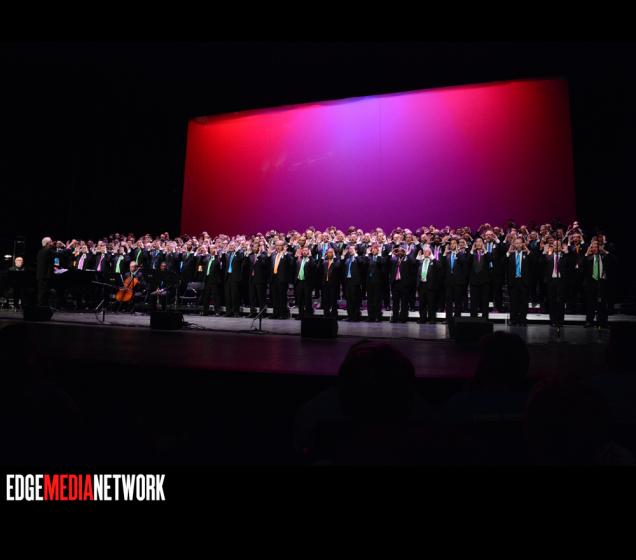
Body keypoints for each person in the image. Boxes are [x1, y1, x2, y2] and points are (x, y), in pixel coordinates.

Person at [583, 240, 609, 328]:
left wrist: (604, 251)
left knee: (602, 304)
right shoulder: (588, 258)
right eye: (593, 247)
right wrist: (586, 253)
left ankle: (602, 322)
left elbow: (614, 260)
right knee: (590, 304)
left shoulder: (604, 257)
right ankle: (589, 321)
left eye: (597, 246)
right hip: (591, 284)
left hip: (602, 283)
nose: (595, 248)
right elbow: (581, 267)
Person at [543, 240, 568, 327]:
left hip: (561, 281)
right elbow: (541, 263)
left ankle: (560, 321)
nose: (556, 246)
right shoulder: (548, 256)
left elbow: (570, 264)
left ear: (561, 246)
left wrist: (566, 252)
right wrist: (544, 252)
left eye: (558, 245)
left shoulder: (564, 256)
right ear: (552, 247)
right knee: (552, 301)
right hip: (551, 281)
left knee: (560, 302)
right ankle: (553, 321)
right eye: (554, 245)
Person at [506, 238, 530, 325]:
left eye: (520, 243)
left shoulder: (526, 254)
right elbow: (503, 262)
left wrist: (527, 249)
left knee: (524, 302)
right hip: (513, 282)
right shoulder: (511, 255)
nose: (518, 245)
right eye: (516, 243)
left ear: (522, 244)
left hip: (524, 282)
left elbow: (534, 261)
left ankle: (523, 320)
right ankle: (513, 320)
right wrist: (508, 251)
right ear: (514, 245)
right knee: (513, 302)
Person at [442, 239, 466, 322]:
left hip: (458, 281)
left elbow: (463, 262)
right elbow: (442, 266)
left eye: (454, 243)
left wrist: (458, 252)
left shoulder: (460, 254)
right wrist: (444, 254)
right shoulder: (447, 254)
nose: (453, 245)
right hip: (448, 281)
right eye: (451, 243)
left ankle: (457, 319)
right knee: (448, 301)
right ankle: (448, 319)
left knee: (457, 301)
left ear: (457, 245)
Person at [414, 246, 440, 324]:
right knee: (422, 303)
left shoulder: (433, 261)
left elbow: (439, 267)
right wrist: (418, 257)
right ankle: (422, 318)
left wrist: (432, 257)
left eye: (427, 251)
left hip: (430, 285)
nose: (425, 253)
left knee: (431, 303)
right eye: (424, 251)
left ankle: (432, 319)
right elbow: (413, 266)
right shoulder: (421, 261)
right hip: (421, 285)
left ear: (430, 252)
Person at [467, 237, 491, 320]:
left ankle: (485, 318)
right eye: (477, 241)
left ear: (483, 243)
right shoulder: (472, 253)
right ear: (475, 244)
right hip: (474, 281)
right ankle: (473, 318)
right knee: (474, 300)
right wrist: (471, 250)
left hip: (484, 281)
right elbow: (467, 262)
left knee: (485, 300)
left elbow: (490, 259)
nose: (479, 243)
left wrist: (485, 249)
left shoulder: (486, 253)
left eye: (480, 241)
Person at [245, 241, 270, 318]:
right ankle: (252, 312)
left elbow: (265, 265)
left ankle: (262, 313)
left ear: (259, 248)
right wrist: (246, 256)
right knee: (252, 296)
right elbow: (245, 266)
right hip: (251, 279)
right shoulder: (250, 256)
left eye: (256, 247)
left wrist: (259, 256)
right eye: (253, 247)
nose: (254, 248)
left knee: (261, 297)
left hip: (260, 280)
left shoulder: (263, 256)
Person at [388, 246, 413, 323]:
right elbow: (387, 262)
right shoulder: (394, 259)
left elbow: (413, 262)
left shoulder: (407, 259)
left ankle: (403, 318)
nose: (400, 252)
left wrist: (407, 254)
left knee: (404, 302)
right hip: (395, 283)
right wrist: (392, 253)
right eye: (398, 251)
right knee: (395, 302)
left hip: (404, 283)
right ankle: (394, 317)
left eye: (401, 251)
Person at [363, 243, 386, 322]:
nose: (373, 250)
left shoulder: (381, 258)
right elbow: (364, 264)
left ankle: (378, 316)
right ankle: (370, 316)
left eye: (375, 249)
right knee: (370, 300)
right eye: (372, 249)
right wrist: (366, 255)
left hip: (378, 282)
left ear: (378, 250)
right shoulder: (369, 258)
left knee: (377, 300)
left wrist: (378, 256)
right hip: (369, 282)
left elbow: (381, 264)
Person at [269, 240, 292, 319]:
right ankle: (275, 313)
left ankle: (283, 314)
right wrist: (268, 255)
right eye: (277, 245)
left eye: (280, 245)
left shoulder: (287, 254)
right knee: (274, 297)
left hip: (282, 279)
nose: (278, 247)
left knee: (282, 297)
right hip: (273, 279)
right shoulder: (273, 255)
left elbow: (291, 263)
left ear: (283, 246)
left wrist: (285, 254)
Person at [221, 241, 244, 317]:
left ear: (235, 246)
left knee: (235, 296)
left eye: (232, 245)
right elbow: (224, 263)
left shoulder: (239, 254)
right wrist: (223, 254)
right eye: (230, 245)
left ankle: (235, 312)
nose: (231, 247)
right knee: (228, 296)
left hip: (235, 277)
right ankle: (228, 312)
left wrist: (237, 251)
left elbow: (241, 259)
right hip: (228, 277)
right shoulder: (227, 254)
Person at [198, 246, 223, 316]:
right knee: (206, 296)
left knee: (215, 296)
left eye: (213, 248)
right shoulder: (208, 258)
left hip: (214, 280)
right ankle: (205, 311)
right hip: (207, 279)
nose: (212, 250)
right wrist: (202, 255)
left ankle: (217, 311)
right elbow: (201, 263)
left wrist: (216, 255)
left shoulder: (218, 258)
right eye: (211, 249)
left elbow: (219, 265)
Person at [293, 246, 316, 319]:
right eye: (303, 250)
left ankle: (308, 315)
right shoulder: (299, 259)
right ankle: (300, 315)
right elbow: (292, 266)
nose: (304, 252)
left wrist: (311, 257)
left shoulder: (310, 260)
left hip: (307, 282)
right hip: (299, 282)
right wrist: (295, 257)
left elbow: (314, 266)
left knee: (308, 300)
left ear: (309, 251)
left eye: (306, 250)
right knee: (300, 300)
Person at [342, 245, 363, 322]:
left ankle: (356, 316)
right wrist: (343, 256)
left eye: (351, 249)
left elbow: (361, 262)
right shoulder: (348, 259)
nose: (350, 250)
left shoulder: (358, 258)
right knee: (349, 300)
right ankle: (350, 316)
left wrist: (355, 254)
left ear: (356, 250)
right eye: (349, 249)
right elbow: (342, 266)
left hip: (355, 282)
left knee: (355, 300)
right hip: (348, 281)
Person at [36, 237, 54, 306]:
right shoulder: (48, 250)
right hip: (46, 275)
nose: (52, 243)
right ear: (47, 243)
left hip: (40, 275)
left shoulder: (40, 251)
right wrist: (68, 247)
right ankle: (43, 307)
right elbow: (59, 254)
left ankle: (41, 306)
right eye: (51, 242)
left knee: (41, 292)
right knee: (45, 292)